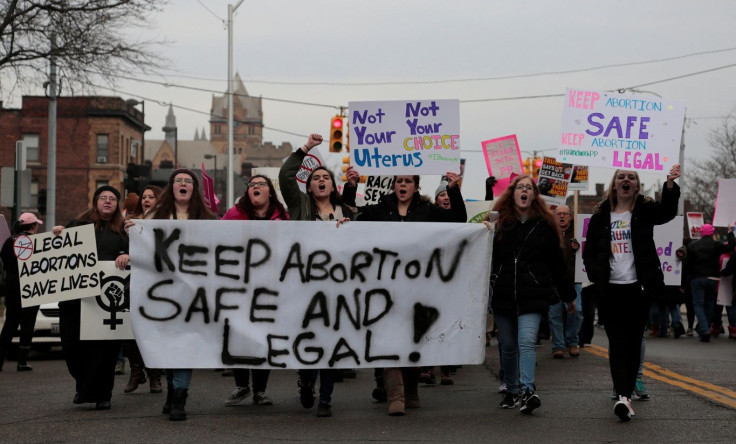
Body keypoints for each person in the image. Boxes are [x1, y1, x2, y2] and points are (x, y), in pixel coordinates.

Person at [345, 165, 466, 416]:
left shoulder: (427, 210)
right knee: (390, 340)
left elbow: (458, 221)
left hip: (417, 288)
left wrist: (454, 191)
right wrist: (351, 187)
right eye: (399, 180)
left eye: (408, 181)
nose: (403, 185)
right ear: (394, 185)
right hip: (385, 288)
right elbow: (352, 218)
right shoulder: (379, 209)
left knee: (412, 341)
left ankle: (411, 392)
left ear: (415, 186)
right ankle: (396, 396)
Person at [583, 165, 681, 422]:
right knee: (617, 344)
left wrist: (670, 184)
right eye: (621, 177)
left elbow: (668, 212)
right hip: (610, 289)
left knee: (633, 342)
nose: (626, 180)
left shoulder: (645, 212)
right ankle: (624, 397)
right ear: (614, 185)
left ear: (636, 186)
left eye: (632, 177)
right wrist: (596, 274)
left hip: (638, 288)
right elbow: (589, 251)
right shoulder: (600, 217)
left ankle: (625, 393)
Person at [278, 133, 356, 418]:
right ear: (309, 187)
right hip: (305, 288)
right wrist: (306, 148)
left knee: (331, 344)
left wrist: (351, 230)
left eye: (326, 177)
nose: (321, 180)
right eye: (315, 178)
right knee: (310, 340)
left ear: (333, 185)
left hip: (338, 290)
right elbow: (286, 175)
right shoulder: (300, 207)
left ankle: (326, 398)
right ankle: (307, 380)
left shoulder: (346, 213)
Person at [490, 175, 575, 415]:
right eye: (520, 187)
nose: (524, 191)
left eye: (529, 188)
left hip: (533, 293)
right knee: (507, 345)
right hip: (504, 293)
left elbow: (557, 264)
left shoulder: (545, 225)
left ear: (534, 195)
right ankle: (512, 390)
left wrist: (568, 295)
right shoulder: (500, 222)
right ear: (513, 193)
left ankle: (527, 390)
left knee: (526, 342)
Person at [146, 169, 217, 420]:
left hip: (194, 295)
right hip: (163, 294)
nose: (183, 184)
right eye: (179, 181)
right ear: (172, 187)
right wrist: (132, 231)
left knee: (185, 346)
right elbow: (142, 246)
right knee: (168, 345)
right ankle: (171, 391)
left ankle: (179, 399)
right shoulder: (154, 216)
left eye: (188, 181)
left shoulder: (207, 219)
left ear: (194, 189)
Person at [54, 185, 130, 410]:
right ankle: (83, 386)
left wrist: (127, 254)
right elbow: (58, 254)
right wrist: (57, 234)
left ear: (117, 205)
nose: (107, 201)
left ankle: (103, 394)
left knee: (104, 351)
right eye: (103, 198)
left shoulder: (123, 231)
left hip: (105, 303)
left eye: (112, 199)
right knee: (73, 347)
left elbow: (138, 253)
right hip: (75, 300)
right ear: (95, 202)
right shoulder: (77, 226)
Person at [221, 174, 288, 407]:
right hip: (239, 285)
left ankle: (260, 390)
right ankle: (242, 386)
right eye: (252, 185)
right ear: (247, 192)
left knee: (264, 338)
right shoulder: (234, 214)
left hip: (270, 286)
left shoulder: (284, 217)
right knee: (239, 334)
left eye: (261, 184)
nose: (256, 187)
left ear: (270, 191)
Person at [121, 184, 164, 394]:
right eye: (144, 197)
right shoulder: (132, 223)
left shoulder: (167, 222)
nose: (146, 200)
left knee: (153, 331)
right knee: (130, 329)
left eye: (151, 197)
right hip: (136, 281)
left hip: (158, 284)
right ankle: (136, 371)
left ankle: (155, 375)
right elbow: (121, 249)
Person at [418, 181, 458, 386]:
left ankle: (446, 370)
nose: (446, 198)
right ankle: (428, 368)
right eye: (442, 195)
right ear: (436, 201)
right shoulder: (429, 218)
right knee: (429, 323)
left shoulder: (458, 221)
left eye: (448, 195)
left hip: (450, 279)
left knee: (447, 323)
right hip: (429, 277)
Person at [0, 213, 44, 372]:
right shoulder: (36, 242)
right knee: (28, 323)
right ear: (34, 226)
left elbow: (4, 260)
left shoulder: (8, 241)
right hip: (31, 286)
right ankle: (22, 361)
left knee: (10, 323)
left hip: (12, 286)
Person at [684, 223, 735, 342]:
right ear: (712, 233)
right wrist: (730, 233)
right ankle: (705, 328)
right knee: (709, 304)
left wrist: (684, 283)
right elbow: (731, 247)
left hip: (696, 278)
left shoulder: (692, 246)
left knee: (698, 304)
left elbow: (687, 265)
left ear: (701, 233)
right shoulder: (716, 245)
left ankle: (705, 329)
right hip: (713, 278)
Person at [549, 205, 583, 359]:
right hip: (554, 281)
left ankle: (572, 342)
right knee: (555, 314)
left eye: (565, 214)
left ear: (570, 216)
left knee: (576, 311)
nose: (562, 216)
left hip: (573, 279)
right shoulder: (549, 232)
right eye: (559, 214)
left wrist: (579, 246)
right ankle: (558, 345)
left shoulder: (577, 233)